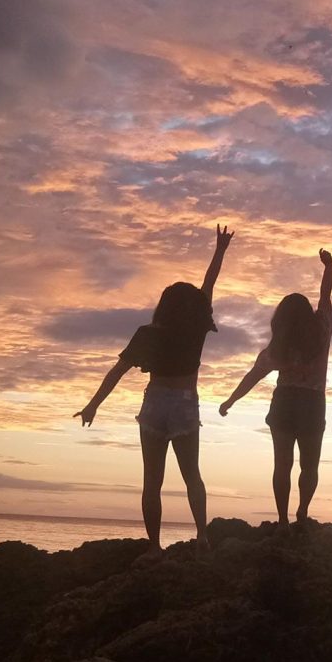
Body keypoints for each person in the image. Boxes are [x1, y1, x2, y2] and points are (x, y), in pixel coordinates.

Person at [75, 224, 234, 548]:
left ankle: (153, 547)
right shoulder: (195, 328)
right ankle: (202, 537)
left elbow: (117, 371)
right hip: (185, 404)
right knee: (192, 475)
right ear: (191, 307)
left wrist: (93, 405)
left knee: (152, 481)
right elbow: (209, 284)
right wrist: (220, 251)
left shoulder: (148, 333)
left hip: (155, 404)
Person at [219, 249, 332, 524]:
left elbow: (253, 376)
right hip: (312, 402)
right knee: (310, 465)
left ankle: (282, 519)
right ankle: (303, 512)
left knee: (282, 464)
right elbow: (325, 297)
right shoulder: (322, 330)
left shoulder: (278, 347)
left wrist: (230, 401)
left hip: (284, 401)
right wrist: (329, 266)